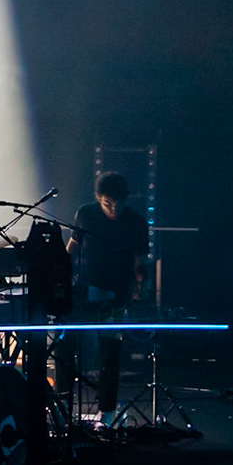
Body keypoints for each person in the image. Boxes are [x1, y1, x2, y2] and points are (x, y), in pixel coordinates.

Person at [60, 171, 148, 422]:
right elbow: (72, 247)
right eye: (108, 203)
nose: (114, 208)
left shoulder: (135, 222)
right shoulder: (85, 214)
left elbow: (141, 262)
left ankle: (107, 410)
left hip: (116, 293)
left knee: (110, 352)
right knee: (65, 346)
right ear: (99, 198)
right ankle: (63, 405)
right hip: (83, 290)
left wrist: (142, 289)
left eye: (118, 203)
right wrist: (62, 274)